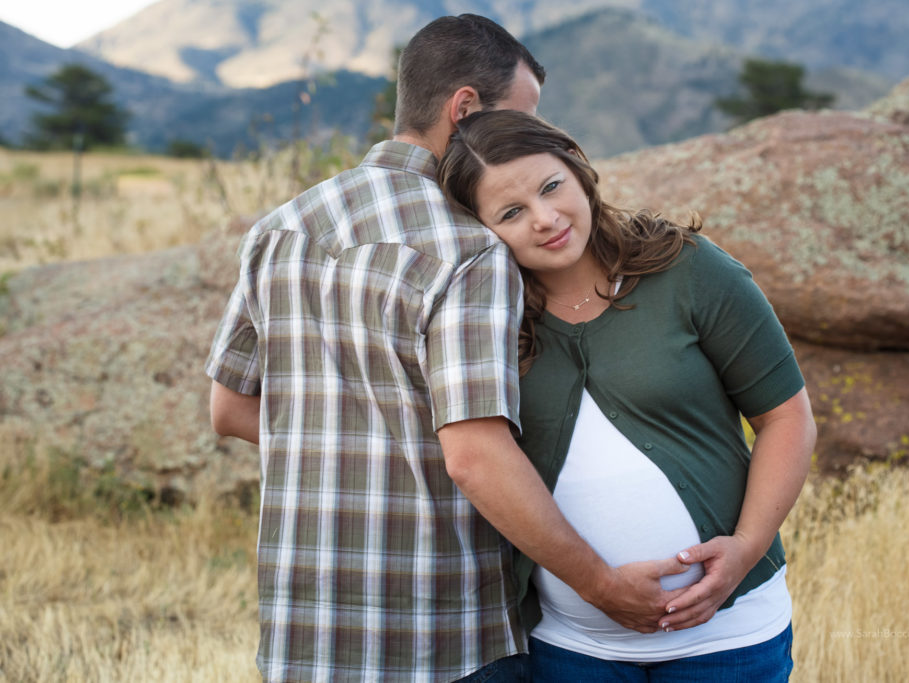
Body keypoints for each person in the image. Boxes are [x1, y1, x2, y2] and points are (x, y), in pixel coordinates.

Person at [207, 15, 689, 683]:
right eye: (516, 121)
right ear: (463, 110)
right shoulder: (470, 247)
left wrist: (350, 445)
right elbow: (477, 457)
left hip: (303, 632)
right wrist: (605, 587)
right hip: (444, 638)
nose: (524, 144)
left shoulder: (280, 227)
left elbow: (229, 409)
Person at [437, 109, 817, 681]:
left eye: (551, 187)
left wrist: (745, 549)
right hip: (571, 649)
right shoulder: (485, 321)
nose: (545, 219)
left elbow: (787, 418)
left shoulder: (690, 269)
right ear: (480, 229)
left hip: (730, 642)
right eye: (512, 212)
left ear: (578, 168)